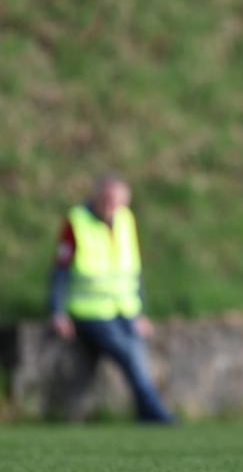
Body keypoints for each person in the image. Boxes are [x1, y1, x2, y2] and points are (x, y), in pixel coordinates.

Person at [49, 176, 173, 423]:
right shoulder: (77, 222)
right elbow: (60, 271)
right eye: (106, 199)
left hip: (124, 310)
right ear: (96, 197)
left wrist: (140, 312)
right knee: (129, 351)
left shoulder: (126, 220)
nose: (111, 206)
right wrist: (57, 311)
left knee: (136, 351)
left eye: (117, 201)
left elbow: (134, 271)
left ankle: (146, 411)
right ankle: (152, 410)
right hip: (90, 312)